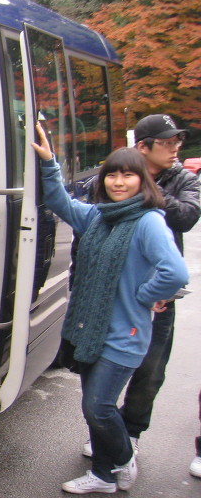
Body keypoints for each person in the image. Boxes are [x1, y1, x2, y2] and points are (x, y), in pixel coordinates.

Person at [32, 122, 189, 494]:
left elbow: (175, 272)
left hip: (125, 333)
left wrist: (144, 295)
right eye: (112, 175)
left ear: (141, 181)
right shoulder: (99, 217)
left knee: (98, 406)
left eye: (128, 175)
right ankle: (103, 476)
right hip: (91, 330)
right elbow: (60, 202)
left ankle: (122, 457)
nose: (119, 182)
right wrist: (49, 163)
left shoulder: (148, 221)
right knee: (93, 407)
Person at [80, 114, 198, 465]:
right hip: (107, 293)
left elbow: (187, 217)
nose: (175, 148)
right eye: (167, 142)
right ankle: (106, 436)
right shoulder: (114, 176)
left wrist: (145, 190)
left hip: (156, 295)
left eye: (177, 141)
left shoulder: (182, 178)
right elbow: (89, 226)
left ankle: (129, 434)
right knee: (98, 368)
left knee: (149, 370)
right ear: (143, 147)